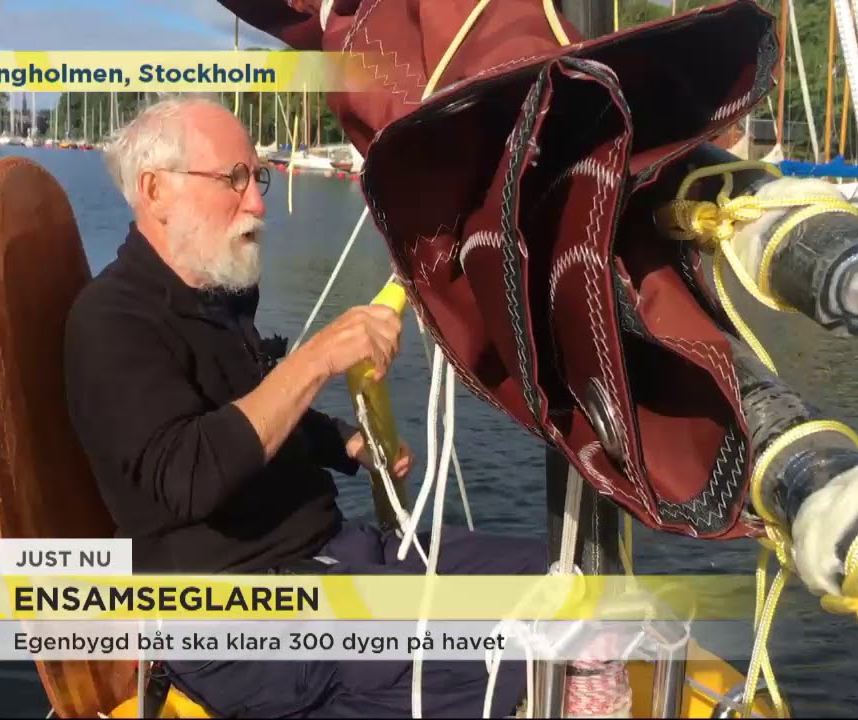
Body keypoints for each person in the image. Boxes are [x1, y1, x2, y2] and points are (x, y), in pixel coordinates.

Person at [64, 96, 546, 718]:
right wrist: (316, 358)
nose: (258, 203)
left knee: (555, 581)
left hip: (335, 551)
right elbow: (187, 474)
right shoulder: (112, 322)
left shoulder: (216, 300)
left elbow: (253, 412)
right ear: (156, 190)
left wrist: (344, 441)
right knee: (512, 656)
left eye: (256, 179)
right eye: (234, 179)